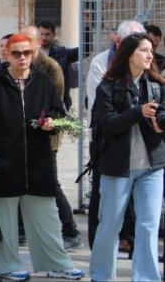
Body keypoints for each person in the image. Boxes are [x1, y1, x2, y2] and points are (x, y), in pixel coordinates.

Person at [0, 34, 84, 281]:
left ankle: (56, 263)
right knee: (4, 219)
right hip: (3, 162)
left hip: (38, 162)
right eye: (16, 53)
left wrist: (53, 122)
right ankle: (5, 265)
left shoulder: (44, 81)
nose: (22, 58)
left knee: (46, 216)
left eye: (27, 53)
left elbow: (58, 111)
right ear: (7, 54)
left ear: (34, 52)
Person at [89, 32, 165, 282]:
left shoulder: (157, 85)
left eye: (151, 50)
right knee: (110, 225)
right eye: (144, 50)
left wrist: (160, 122)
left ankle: (146, 278)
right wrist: (138, 112)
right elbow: (108, 125)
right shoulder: (107, 87)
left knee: (149, 225)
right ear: (129, 54)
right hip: (117, 167)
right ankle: (101, 276)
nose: (150, 55)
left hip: (152, 167)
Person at [20, 26, 82, 251]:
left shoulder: (50, 67)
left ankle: (70, 230)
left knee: (50, 182)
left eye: (28, 41)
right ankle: (21, 230)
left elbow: (56, 102)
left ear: (38, 43)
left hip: (46, 134)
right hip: (23, 136)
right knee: (21, 180)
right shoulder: (18, 65)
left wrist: (45, 121)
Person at [85, 20, 145, 250]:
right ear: (118, 42)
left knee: (135, 200)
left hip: (139, 143)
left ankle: (131, 243)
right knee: (103, 195)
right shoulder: (102, 63)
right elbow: (101, 108)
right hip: (107, 140)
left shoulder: (147, 66)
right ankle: (98, 246)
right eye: (131, 42)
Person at [37, 19, 90, 110]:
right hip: (37, 100)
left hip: (59, 101)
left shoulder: (62, 52)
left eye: (47, 34)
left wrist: (87, 26)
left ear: (53, 35)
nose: (43, 37)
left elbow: (85, 50)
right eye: (41, 34)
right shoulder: (30, 53)